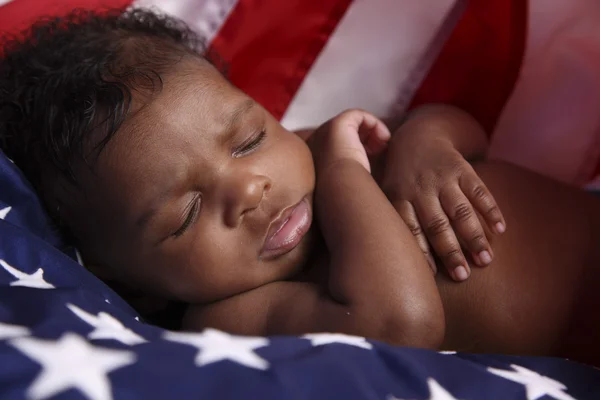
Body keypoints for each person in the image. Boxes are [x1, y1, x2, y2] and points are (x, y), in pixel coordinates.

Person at [1, 9, 599, 366]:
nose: (251, 189)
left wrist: (427, 143)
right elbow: (401, 324)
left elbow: (469, 133)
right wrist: (345, 173)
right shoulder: (230, 313)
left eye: (247, 140)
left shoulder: (311, 145)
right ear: (130, 282)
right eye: (186, 214)